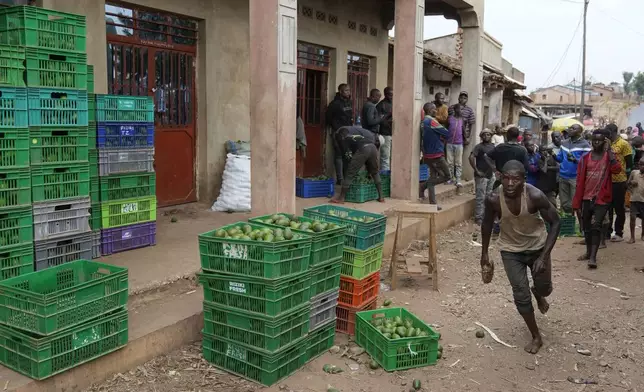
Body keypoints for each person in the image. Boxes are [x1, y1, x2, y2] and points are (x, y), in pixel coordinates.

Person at [479, 160, 560, 354]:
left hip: (537, 247)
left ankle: (538, 292)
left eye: (515, 179)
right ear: (500, 177)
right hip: (511, 250)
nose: (509, 183)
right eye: (505, 178)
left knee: (545, 288)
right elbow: (487, 225)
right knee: (520, 294)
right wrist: (484, 253)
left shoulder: (535, 196)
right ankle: (536, 336)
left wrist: (544, 256)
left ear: (524, 180)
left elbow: (556, 223)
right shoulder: (493, 198)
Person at [573, 129, 621, 268]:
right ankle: (588, 253)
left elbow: (617, 170)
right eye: (594, 140)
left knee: (596, 226)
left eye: (599, 140)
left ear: (604, 141)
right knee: (586, 228)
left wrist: (610, 152)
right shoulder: (585, 158)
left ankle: (593, 258)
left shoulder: (608, 157)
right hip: (586, 197)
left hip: (601, 198)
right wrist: (577, 202)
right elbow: (579, 181)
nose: (596, 143)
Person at [330, 126, 383, 204]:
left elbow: (347, 154)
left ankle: (341, 198)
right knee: (375, 172)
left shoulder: (366, 133)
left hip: (364, 149)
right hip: (371, 149)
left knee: (350, 173)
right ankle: (381, 197)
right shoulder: (341, 133)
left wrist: (349, 165)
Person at [604, 124, 633, 242]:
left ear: (613, 132)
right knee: (607, 207)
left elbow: (629, 164)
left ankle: (619, 232)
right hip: (607, 180)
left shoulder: (624, 144)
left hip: (620, 181)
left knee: (619, 208)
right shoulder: (606, 144)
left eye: (607, 133)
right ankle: (607, 232)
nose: (606, 135)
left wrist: (627, 179)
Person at [420, 103, 450, 208]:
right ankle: (424, 186)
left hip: (427, 154)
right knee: (447, 176)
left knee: (433, 176)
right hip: (436, 154)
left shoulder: (423, 122)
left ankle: (432, 202)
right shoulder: (432, 121)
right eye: (434, 109)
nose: (436, 111)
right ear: (431, 110)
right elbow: (446, 133)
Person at [555, 124, 591, 214]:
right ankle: (569, 220)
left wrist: (575, 160)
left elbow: (587, 163)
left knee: (575, 203)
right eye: (570, 128)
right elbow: (560, 159)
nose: (570, 130)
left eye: (573, 129)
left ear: (579, 132)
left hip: (575, 178)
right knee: (564, 203)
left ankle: (576, 222)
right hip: (563, 176)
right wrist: (552, 154)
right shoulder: (564, 143)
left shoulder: (585, 145)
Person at [326, 84, 353, 185]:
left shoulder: (349, 103)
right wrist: (336, 128)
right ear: (340, 92)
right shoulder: (335, 104)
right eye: (346, 90)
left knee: (347, 155)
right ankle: (340, 179)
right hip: (338, 132)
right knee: (338, 155)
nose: (348, 92)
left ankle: (347, 177)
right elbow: (328, 117)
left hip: (348, 132)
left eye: (349, 90)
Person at [469, 129, 496, 224]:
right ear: (481, 136)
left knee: (489, 196)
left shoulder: (493, 146)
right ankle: (478, 217)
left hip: (491, 174)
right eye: (484, 135)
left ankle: (486, 215)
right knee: (480, 196)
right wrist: (476, 170)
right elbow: (471, 157)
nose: (486, 136)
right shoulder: (479, 147)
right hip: (481, 175)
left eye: (488, 134)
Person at [446, 104, 465, 187]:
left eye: (462, 109)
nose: (462, 111)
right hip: (449, 143)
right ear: (456, 109)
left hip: (459, 143)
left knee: (458, 163)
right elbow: (446, 129)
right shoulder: (450, 118)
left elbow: (463, 130)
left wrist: (466, 139)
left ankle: (458, 180)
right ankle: (450, 178)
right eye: (460, 109)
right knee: (449, 162)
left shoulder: (462, 120)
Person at [627, 157, 644, 244]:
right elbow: (627, 183)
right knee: (632, 218)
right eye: (640, 164)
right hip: (634, 199)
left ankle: (643, 235)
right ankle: (632, 237)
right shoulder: (634, 172)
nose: (642, 166)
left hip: (643, 200)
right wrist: (631, 182)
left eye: (643, 165)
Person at [376, 87, 393, 171]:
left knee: (394, 156)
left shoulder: (395, 103)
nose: (392, 97)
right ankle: (385, 177)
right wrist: (389, 116)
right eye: (390, 95)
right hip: (385, 134)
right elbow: (379, 120)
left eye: (393, 95)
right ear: (385, 95)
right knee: (385, 157)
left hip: (394, 133)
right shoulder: (381, 105)